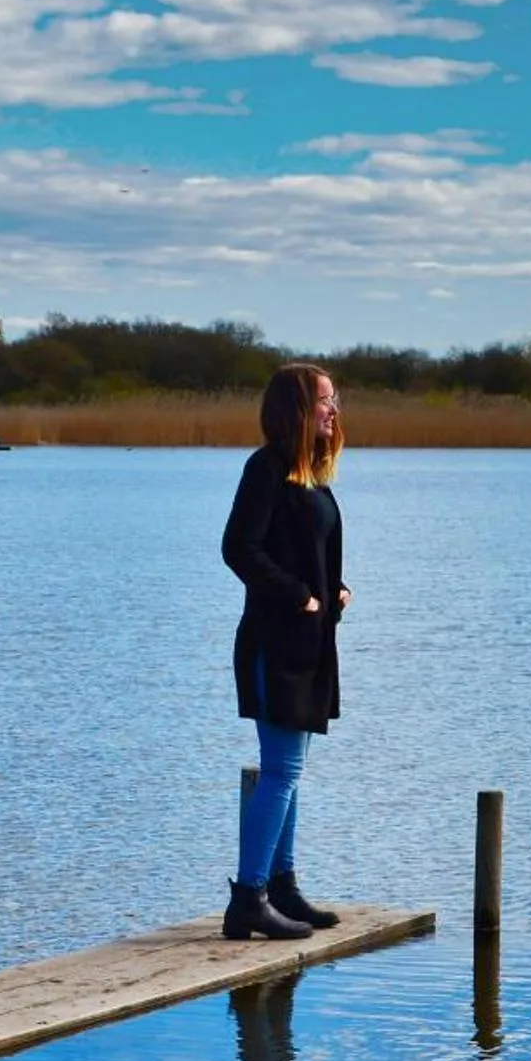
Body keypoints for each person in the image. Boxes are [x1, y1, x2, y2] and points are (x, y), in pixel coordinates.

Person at [218, 363, 350, 940]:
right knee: (281, 770)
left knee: (289, 771)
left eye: (334, 398)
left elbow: (307, 550)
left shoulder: (310, 475)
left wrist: (334, 589)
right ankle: (249, 897)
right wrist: (299, 596)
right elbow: (238, 550)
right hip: (274, 642)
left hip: (309, 645)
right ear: (297, 407)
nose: (333, 408)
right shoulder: (266, 468)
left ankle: (283, 886)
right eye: (324, 399)